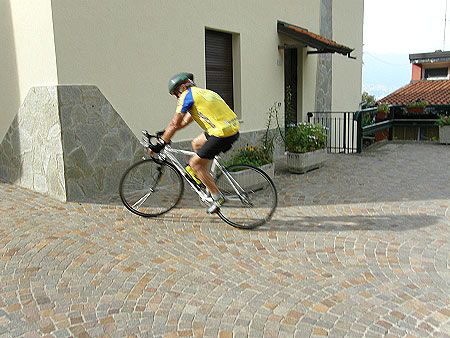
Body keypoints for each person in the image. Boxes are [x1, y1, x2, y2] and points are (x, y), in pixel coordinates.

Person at [152, 72, 240, 214]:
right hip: (229, 129)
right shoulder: (202, 94)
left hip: (221, 133)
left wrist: (160, 144)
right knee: (196, 143)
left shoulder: (187, 96)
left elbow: (175, 123)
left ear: (181, 88)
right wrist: (165, 133)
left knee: (194, 163)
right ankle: (201, 174)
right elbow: (182, 123)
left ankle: (217, 197)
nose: (176, 97)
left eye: (175, 93)